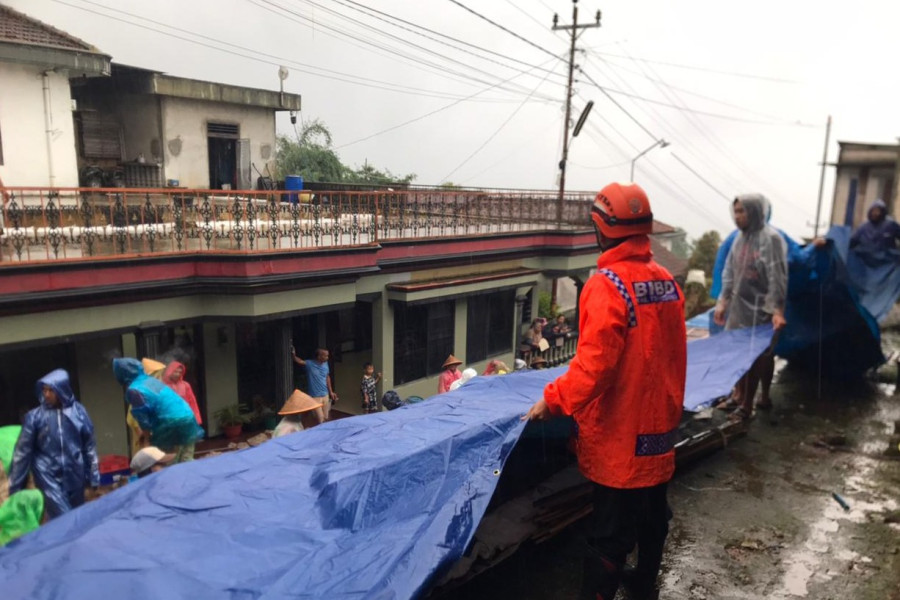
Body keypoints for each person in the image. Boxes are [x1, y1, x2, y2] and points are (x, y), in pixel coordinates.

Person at [524, 182, 686, 600]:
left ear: (600, 228)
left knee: (609, 532)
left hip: (620, 435)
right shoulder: (666, 281)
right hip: (660, 430)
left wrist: (553, 400)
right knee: (653, 515)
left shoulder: (606, 285)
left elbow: (594, 367)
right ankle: (643, 585)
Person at [714, 194, 788, 420]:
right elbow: (729, 271)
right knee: (738, 353)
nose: (737, 217)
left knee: (758, 356)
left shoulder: (771, 239)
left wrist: (776, 310)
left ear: (755, 211)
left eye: (742, 211)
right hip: (739, 306)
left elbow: (777, 276)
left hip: (761, 307)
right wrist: (723, 301)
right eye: (735, 211)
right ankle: (738, 396)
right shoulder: (739, 239)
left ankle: (749, 404)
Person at [8, 369, 100, 520]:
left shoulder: (79, 413)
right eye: (44, 390)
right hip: (47, 474)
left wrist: (93, 476)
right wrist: (14, 486)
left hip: (75, 473)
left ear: (62, 389)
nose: (47, 394)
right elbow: (22, 452)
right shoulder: (35, 417)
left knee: (77, 517)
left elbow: (89, 446)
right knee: (64, 516)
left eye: (51, 390)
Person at [113, 358, 204, 464]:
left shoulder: (134, 389)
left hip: (171, 422)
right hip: (188, 416)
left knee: (166, 461)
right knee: (186, 458)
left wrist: (146, 439)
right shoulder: (151, 381)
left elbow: (143, 418)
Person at [127, 358, 166, 458]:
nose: (160, 380)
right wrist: (145, 438)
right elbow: (133, 419)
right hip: (147, 442)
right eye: (158, 377)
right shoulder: (139, 393)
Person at [291, 348, 338, 422]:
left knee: (325, 418)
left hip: (325, 395)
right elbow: (299, 361)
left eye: (327, 356)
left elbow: (327, 377)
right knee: (321, 419)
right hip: (315, 397)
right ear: (319, 357)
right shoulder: (310, 364)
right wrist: (293, 355)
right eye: (325, 356)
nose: (327, 358)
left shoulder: (326, 364)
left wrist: (331, 392)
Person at [163, 361, 202, 426]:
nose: (178, 374)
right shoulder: (163, 385)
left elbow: (192, 402)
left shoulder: (185, 385)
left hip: (184, 418)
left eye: (180, 372)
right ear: (170, 371)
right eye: (175, 372)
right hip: (168, 420)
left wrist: (196, 418)